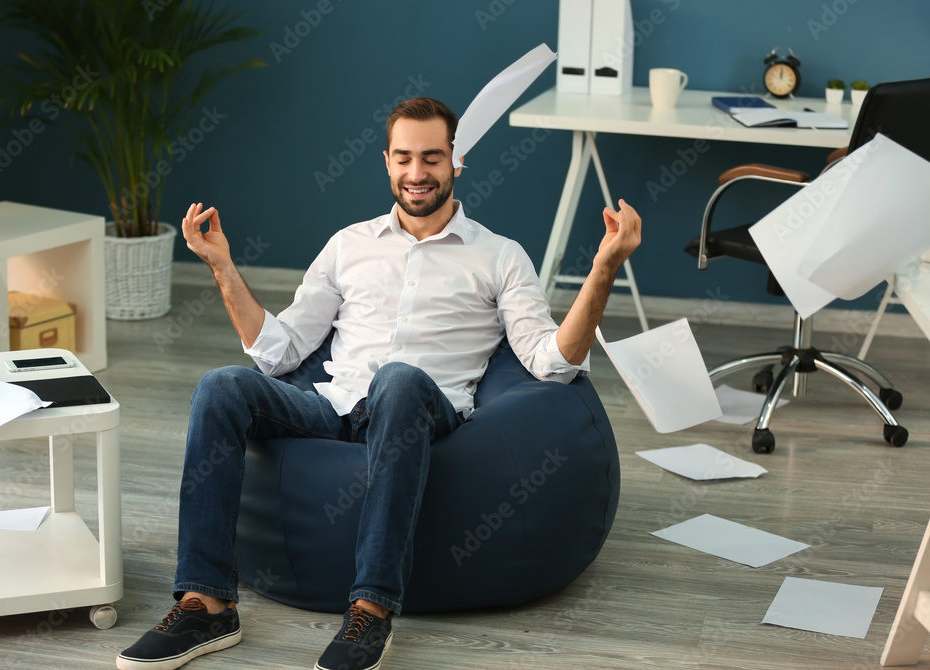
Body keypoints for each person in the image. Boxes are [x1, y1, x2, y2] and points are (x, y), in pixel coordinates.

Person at [116, 96, 641, 670]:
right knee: (221, 385)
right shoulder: (348, 245)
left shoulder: (500, 257)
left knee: (396, 380)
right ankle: (206, 607)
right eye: (405, 158)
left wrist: (604, 268)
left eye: (433, 158)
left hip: (423, 408)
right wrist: (220, 264)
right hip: (333, 407)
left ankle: (370, 611)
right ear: (387, 162)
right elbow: (278, 350)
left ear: (456, 162)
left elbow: (552, 364)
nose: (418, 173)